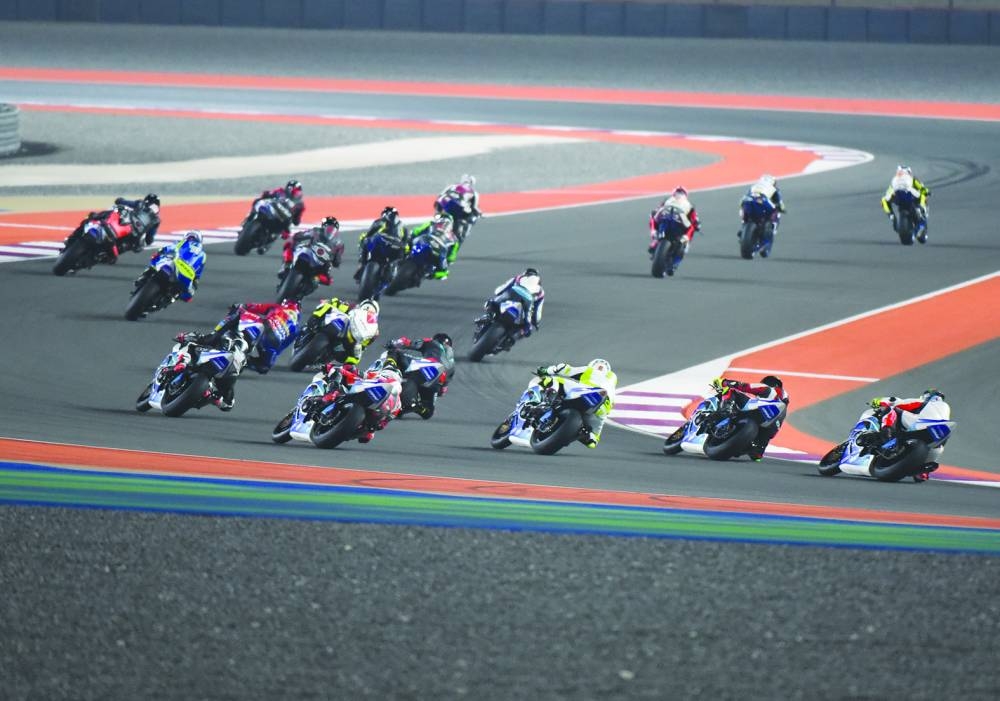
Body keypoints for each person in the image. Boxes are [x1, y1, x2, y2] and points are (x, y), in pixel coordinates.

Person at [179, 299, 301, 383]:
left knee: (238, 311)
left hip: (265, 326)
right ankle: (242, 362)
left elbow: (253, 307)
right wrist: (269, 357)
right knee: (263, 367)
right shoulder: (296, 329)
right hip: (274, 342)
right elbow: (282, 348)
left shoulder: (279, 307)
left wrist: (241, 306)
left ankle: (211, 337)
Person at [315, 355, 403, 443]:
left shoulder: (382, 376)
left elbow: (358, 373)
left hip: (366, 403)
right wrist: (374, 429)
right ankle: (366, 430)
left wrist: (330, 367)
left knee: (337, 371)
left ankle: (331, 394)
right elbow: (388, 419)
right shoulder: (397, 402)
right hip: (371, 417)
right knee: (367, 434)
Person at [533, 359, 618, 448]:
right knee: (592, 441)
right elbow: (602, 418)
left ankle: (546, 402)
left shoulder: (590, 370)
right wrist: (593, 438)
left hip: (586, 391)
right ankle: (584, 434)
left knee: (553, 380)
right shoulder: (612, 389)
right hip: (600, 407)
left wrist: (546, 370)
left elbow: (564, 369)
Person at [710, 375, 789, 461]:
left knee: (731, 391)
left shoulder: (769, 389)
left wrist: (724, 382)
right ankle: (752, 449)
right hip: (768, 429)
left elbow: (744, 386)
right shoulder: (782, 412)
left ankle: (726, 410)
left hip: (757, 411)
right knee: (757, 455)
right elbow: (771, 435)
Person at [384, 332, 455, 418]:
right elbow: (442, 391)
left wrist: (393, 343)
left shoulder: (432, 342)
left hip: (426, 367)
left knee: (395, 352)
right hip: (436, 381)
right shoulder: (452, 365)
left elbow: (410, 343)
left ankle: (389, 367)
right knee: (428, 413)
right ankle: (417, 407)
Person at [136, 230, 206, 302]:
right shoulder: (202, 254)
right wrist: (194, 283)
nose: (191, 239)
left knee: (155, 263)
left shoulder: (180, 243)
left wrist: (159, 254)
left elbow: (165, 249)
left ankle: (167, 297)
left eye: (192, 237)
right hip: (182, 271)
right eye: (190, 237)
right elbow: (198, 273)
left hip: (179, 270)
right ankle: (145, 278)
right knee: (155, 264)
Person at [308, 297, 381, 365]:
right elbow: (334, 302)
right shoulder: (351, 308)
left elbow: (364, 345)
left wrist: (359, 347)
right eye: (367, 307)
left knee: (355, 359)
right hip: (334, 324)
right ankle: (314, 320)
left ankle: (327, 359)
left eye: (371, 309)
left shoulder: (373, 329)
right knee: (328, 305)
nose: (368, 309)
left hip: (349, 337)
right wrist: (335, 304)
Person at [279, 216, 344, 285]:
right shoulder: (339, 244)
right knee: (328, 280)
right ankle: (287, 266)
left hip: (317, 262)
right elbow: (337, 262)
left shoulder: (317, 231)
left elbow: (300, 236)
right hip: (312, 258)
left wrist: (295, 237)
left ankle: (286, 266)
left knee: (328, 280)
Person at [483, 268, 544, 338]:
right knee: (527, 326)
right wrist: (536, 323)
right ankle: (518, 333)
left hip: (513, 292)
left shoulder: (519, 278)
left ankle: (488, 316)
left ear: (525, 274)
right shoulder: (541, 291)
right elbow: (537, 311)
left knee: (492, 303)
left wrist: (497, 296)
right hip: (527, 300)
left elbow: (499, 290)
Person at [353, 206, 408, 282]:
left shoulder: (380, 221)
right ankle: (396, 273)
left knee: (365, 242)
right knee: (402, 257)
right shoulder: (403, 226)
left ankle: (361, 265)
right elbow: (406, 242)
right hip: (395, 248)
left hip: (381, 245)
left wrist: (363, 239)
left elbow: (369, 234)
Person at [648, 186, 701, 258]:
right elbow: (695, 219)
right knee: (691, 227)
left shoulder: (667, 200)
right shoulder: (689, 205)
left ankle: (654, 237)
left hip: (665, 216)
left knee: (653, 218)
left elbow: (657, 210)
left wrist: (654, 214)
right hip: (679, 219)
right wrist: (697, 225)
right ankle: (684, 241)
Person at [881, 165, 930, 241]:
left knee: (884, 200)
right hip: (910, 197)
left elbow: (888, 193)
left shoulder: (894, 180)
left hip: (899, 198)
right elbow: (922, 188)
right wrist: (926, 191)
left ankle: (891, 216)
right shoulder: (913, 179)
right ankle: (921, 211)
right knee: (923, 196)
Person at [410, 213, 458, 280]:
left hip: (432, 252)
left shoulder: (431, 224)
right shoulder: (454, 238)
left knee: (442, 273)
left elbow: (416, 231)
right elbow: (451, 257)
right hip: (425, 246)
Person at [435, 174, 481, 242]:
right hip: (458, 208)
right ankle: (456, 236)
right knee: (460, 224)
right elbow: (475, 207)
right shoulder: (474, 193)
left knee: (437, 216)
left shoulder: (452, 186)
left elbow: (440, 195)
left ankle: (436, 223)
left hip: (444, 203)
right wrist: (479, 213)